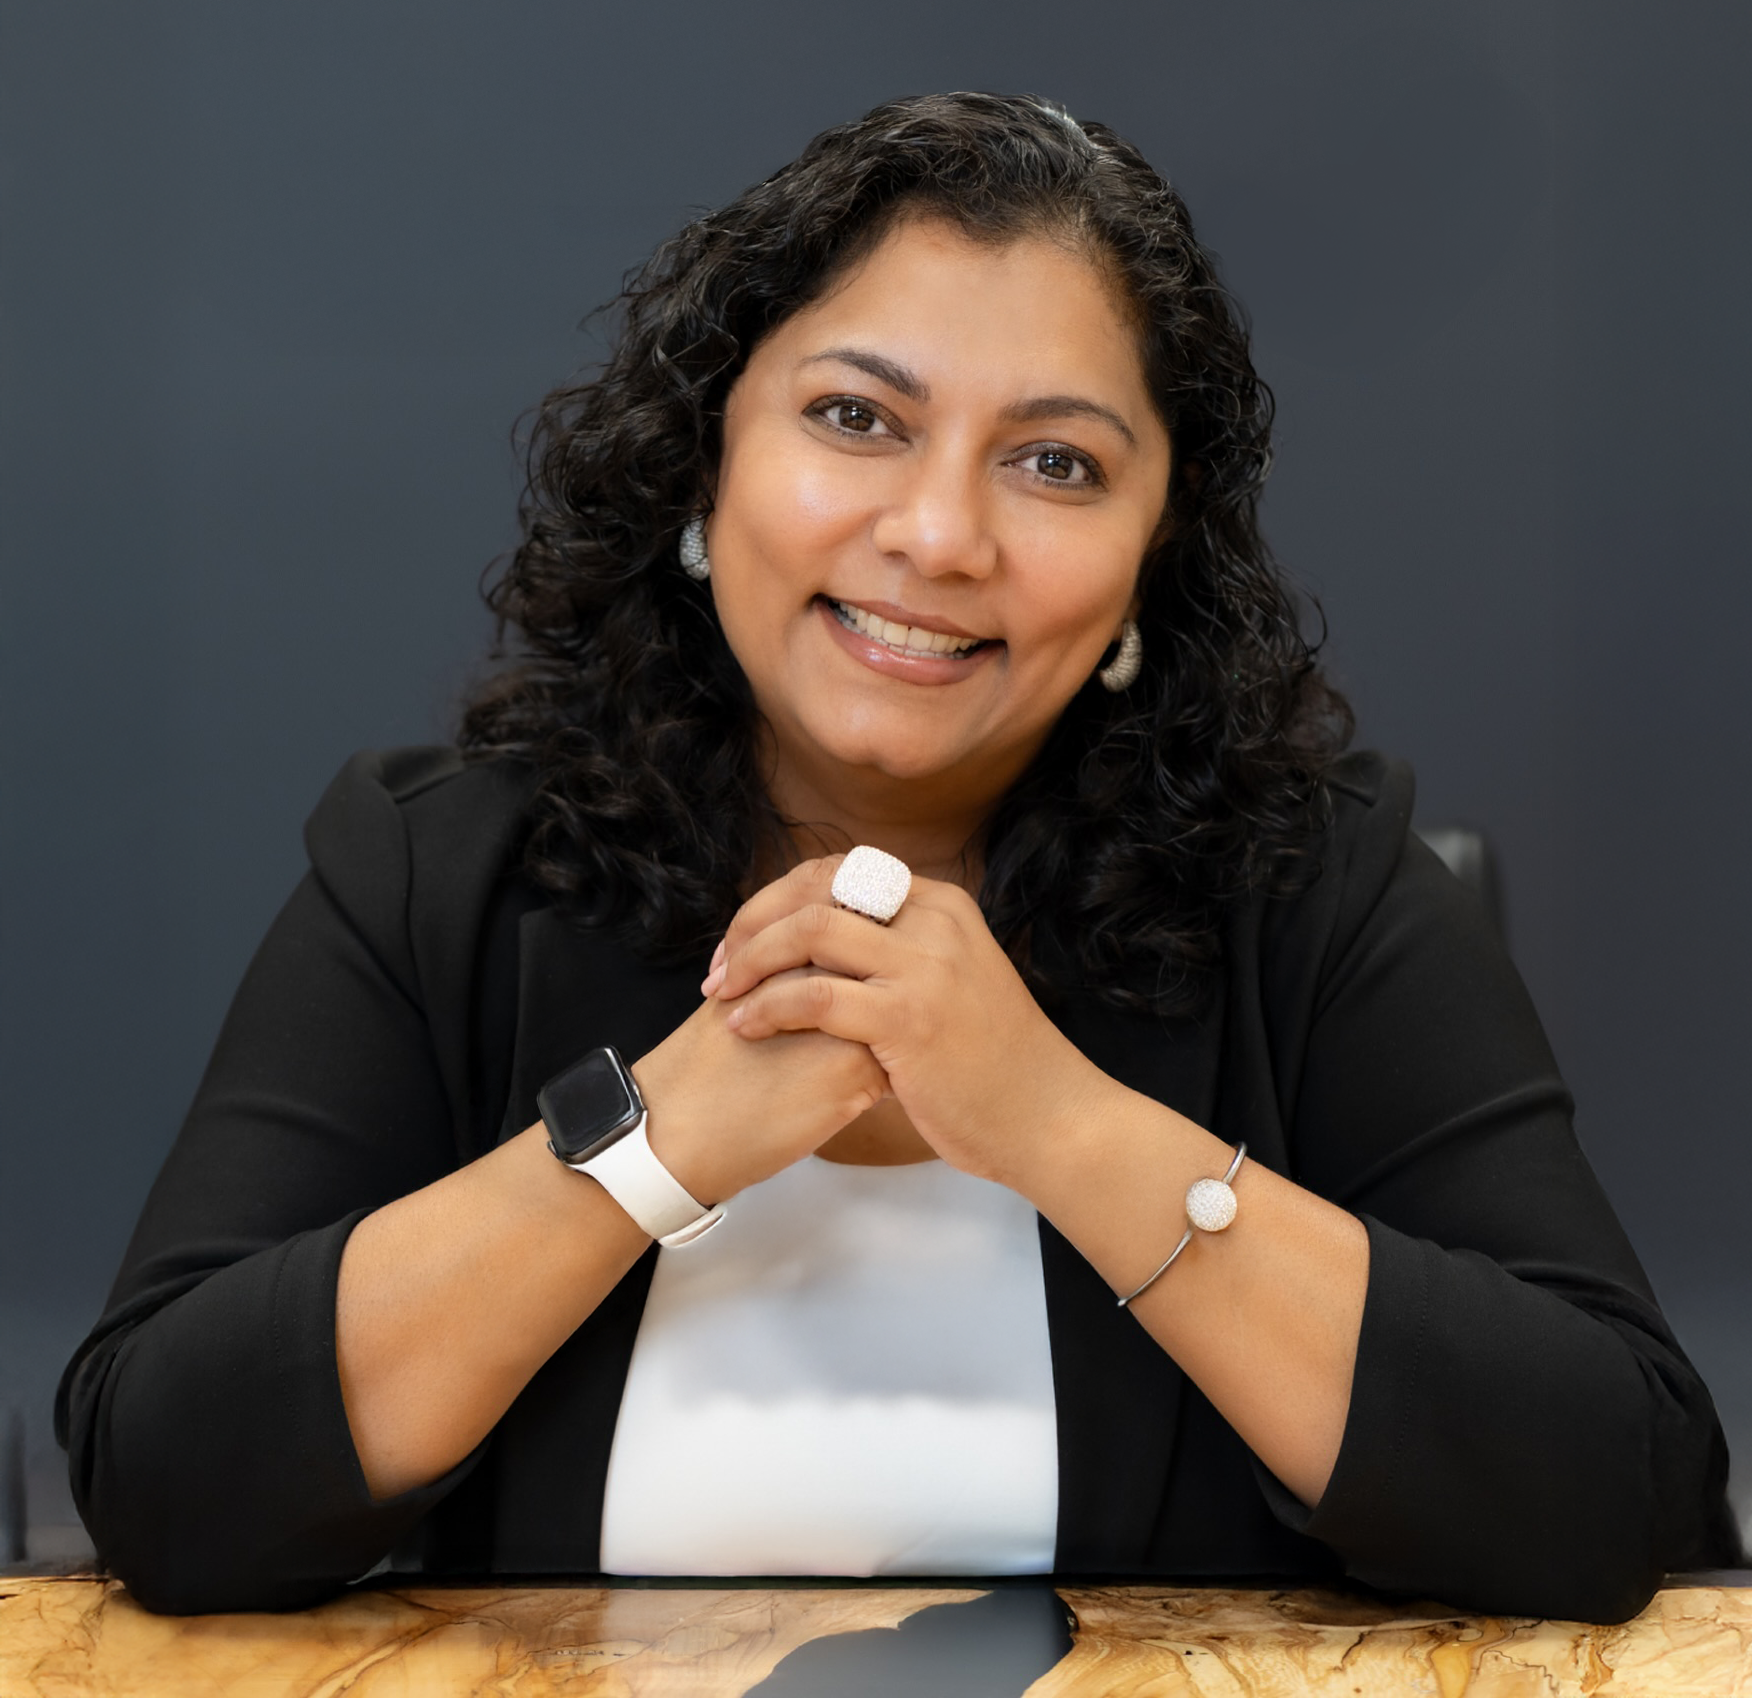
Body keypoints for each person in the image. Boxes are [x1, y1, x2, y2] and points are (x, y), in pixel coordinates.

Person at [58, 93, 1736, 1621]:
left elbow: (1618, 1494)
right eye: (857, 417)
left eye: (1056, 461)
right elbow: (167, 1485)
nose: (939, 534)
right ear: (704, 472)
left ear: (1157, 558)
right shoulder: (443, 872)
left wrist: (1060, 1126)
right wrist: (658, 1145)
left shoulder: (1318, 883)